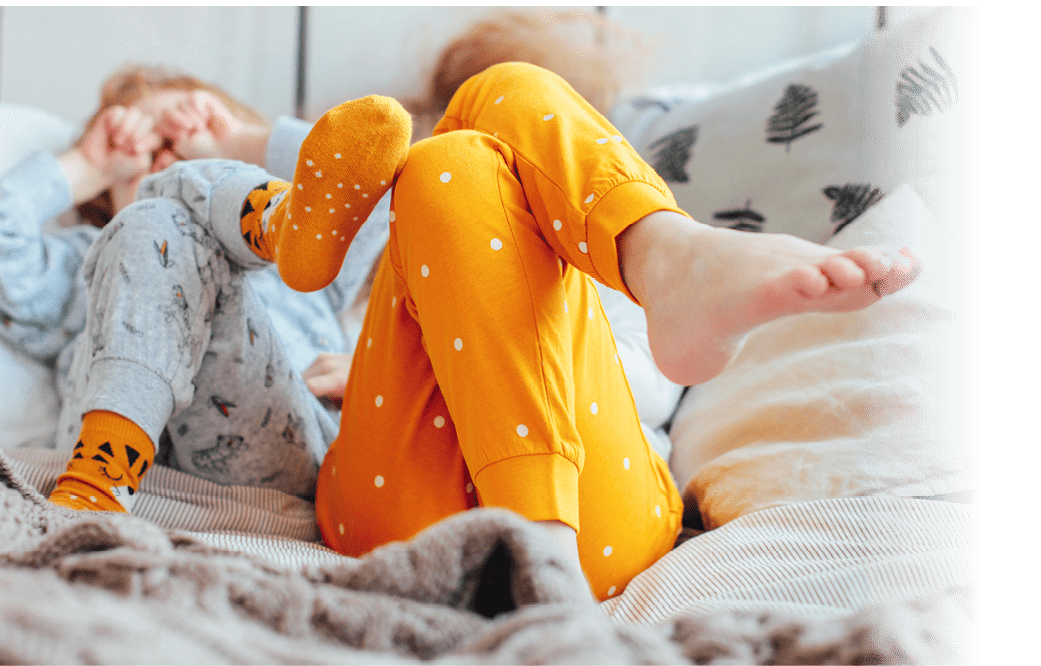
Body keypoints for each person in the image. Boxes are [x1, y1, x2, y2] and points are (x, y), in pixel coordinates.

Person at [102, 62, 919, 601]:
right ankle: (668, 253)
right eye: (159, 158)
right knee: (449, 154)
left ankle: (667, 258)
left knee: (453, 153)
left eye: (187, 139)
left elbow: (365, 174)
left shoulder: (425, 219)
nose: (179, 155)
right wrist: (128, 174)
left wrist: (244, 142)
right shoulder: (142, 279)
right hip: (398, 522)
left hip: (589, 521)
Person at [0, 65, 387, 510]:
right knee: (155, 215)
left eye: (184, 140)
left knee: (164, 203)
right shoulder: (84, 260)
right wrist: (86, 165)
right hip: (137, 473)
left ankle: (276, 217)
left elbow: (373, 197)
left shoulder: (305, 267)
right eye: (148, 149)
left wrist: (240, 142)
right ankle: (268, 218)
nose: (166, 158)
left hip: (281, 449)